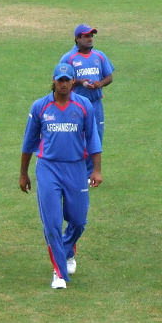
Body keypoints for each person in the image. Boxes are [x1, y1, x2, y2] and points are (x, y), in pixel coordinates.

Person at [19, 63, 103, 290]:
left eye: (68, 80)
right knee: (53, 223)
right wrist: (23, 173)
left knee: (78, 220)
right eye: (60, 80)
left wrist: (96, 169)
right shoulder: (40, 107)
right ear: (54, 81)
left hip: (76, 168)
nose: (64, 84)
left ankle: (67, 250)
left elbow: (93, 139)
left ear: (72, 81)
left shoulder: (84, 105)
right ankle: (59, 272)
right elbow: (28, 143)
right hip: (48, 168)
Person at [60, 24, 114, 176]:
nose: (90, 39)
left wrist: (100, 84)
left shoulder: (99, 56)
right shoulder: (68, 58)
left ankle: (91, 173)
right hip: (76, 106)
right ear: (77, 39)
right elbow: (62, 80)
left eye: (91, 36)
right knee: (77, 138)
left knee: (96, 137)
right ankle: (76, 171)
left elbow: (109, 77)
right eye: (86, 36)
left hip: (96, 105)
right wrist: (79, 82)